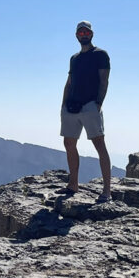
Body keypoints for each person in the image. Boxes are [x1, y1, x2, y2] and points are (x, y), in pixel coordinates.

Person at [59, 20, 112, 201]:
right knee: (69, 144)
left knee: (99, 145)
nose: (83, 35)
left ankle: (107, 191)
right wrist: (63, 105)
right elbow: (69, 82)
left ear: (91, 34)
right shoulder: (74, 58)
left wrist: (98, 103)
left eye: (86, 32)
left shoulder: (100, 55)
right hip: (71, 106)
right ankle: (73, 184)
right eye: (80, 33)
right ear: (76, 35)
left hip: (90, 105)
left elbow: (104, 80)